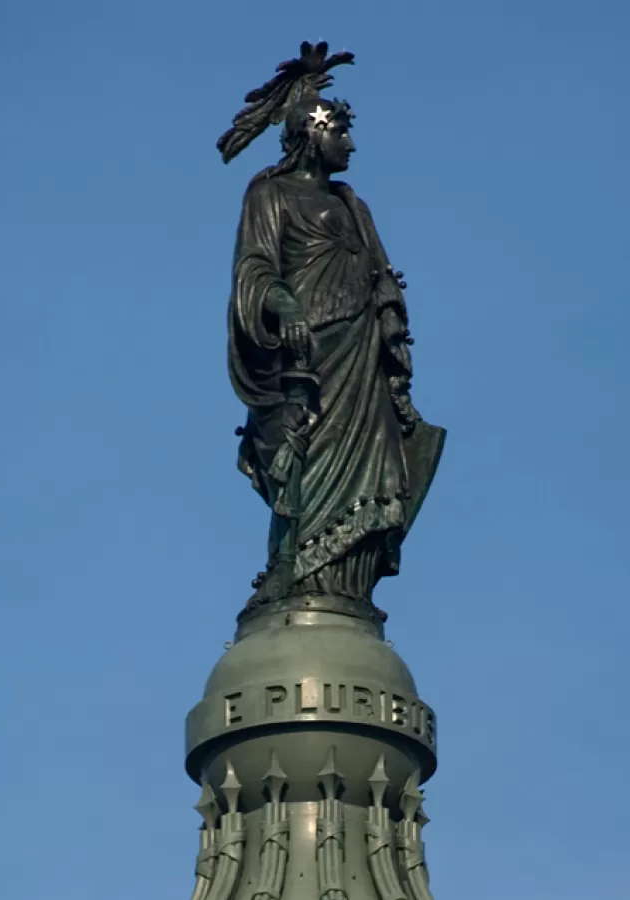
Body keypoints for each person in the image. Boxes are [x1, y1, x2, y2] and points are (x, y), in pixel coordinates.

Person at [220, 43, 445, 614]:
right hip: (308, 361)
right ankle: (290, 575)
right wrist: (284, 307)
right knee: (301, 466)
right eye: (340, 132)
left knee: (376, 471)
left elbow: (378, 277)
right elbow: (255, 268)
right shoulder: (269, 194)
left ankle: (346, 589)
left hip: (360, 361)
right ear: (313, 132)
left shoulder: (353, 204)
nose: (350, 144)